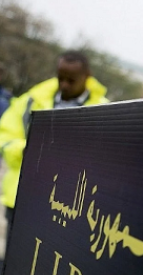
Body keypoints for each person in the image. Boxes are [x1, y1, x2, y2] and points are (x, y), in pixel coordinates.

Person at [0, 50, 108, 235]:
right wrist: (25, 151)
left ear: (87, 76)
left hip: (69, 206)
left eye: (71, 80)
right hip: (22, 196)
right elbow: (5, 135)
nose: (64, 85)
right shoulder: (31, 99)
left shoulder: (105, 111)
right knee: (14, 259)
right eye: (60, 78)